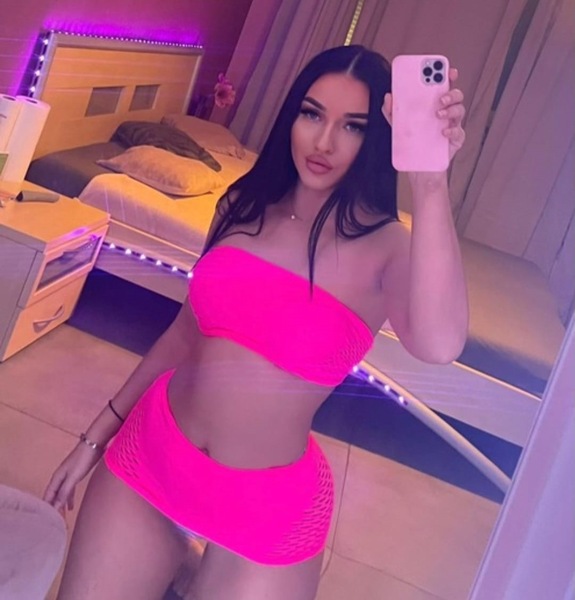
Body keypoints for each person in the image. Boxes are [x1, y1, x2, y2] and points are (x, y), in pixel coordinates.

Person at [44, 45, 468, 600]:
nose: (323, 142)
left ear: (376, 140)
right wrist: (94, 438)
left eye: (353, 126)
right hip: (155, 455)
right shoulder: (241, 205)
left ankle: (189, 571)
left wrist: (431, 183)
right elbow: (184, 334)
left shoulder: (386, 246)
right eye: (312, 114)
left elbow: (439, 343)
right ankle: (176, 564)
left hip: (267, 512)